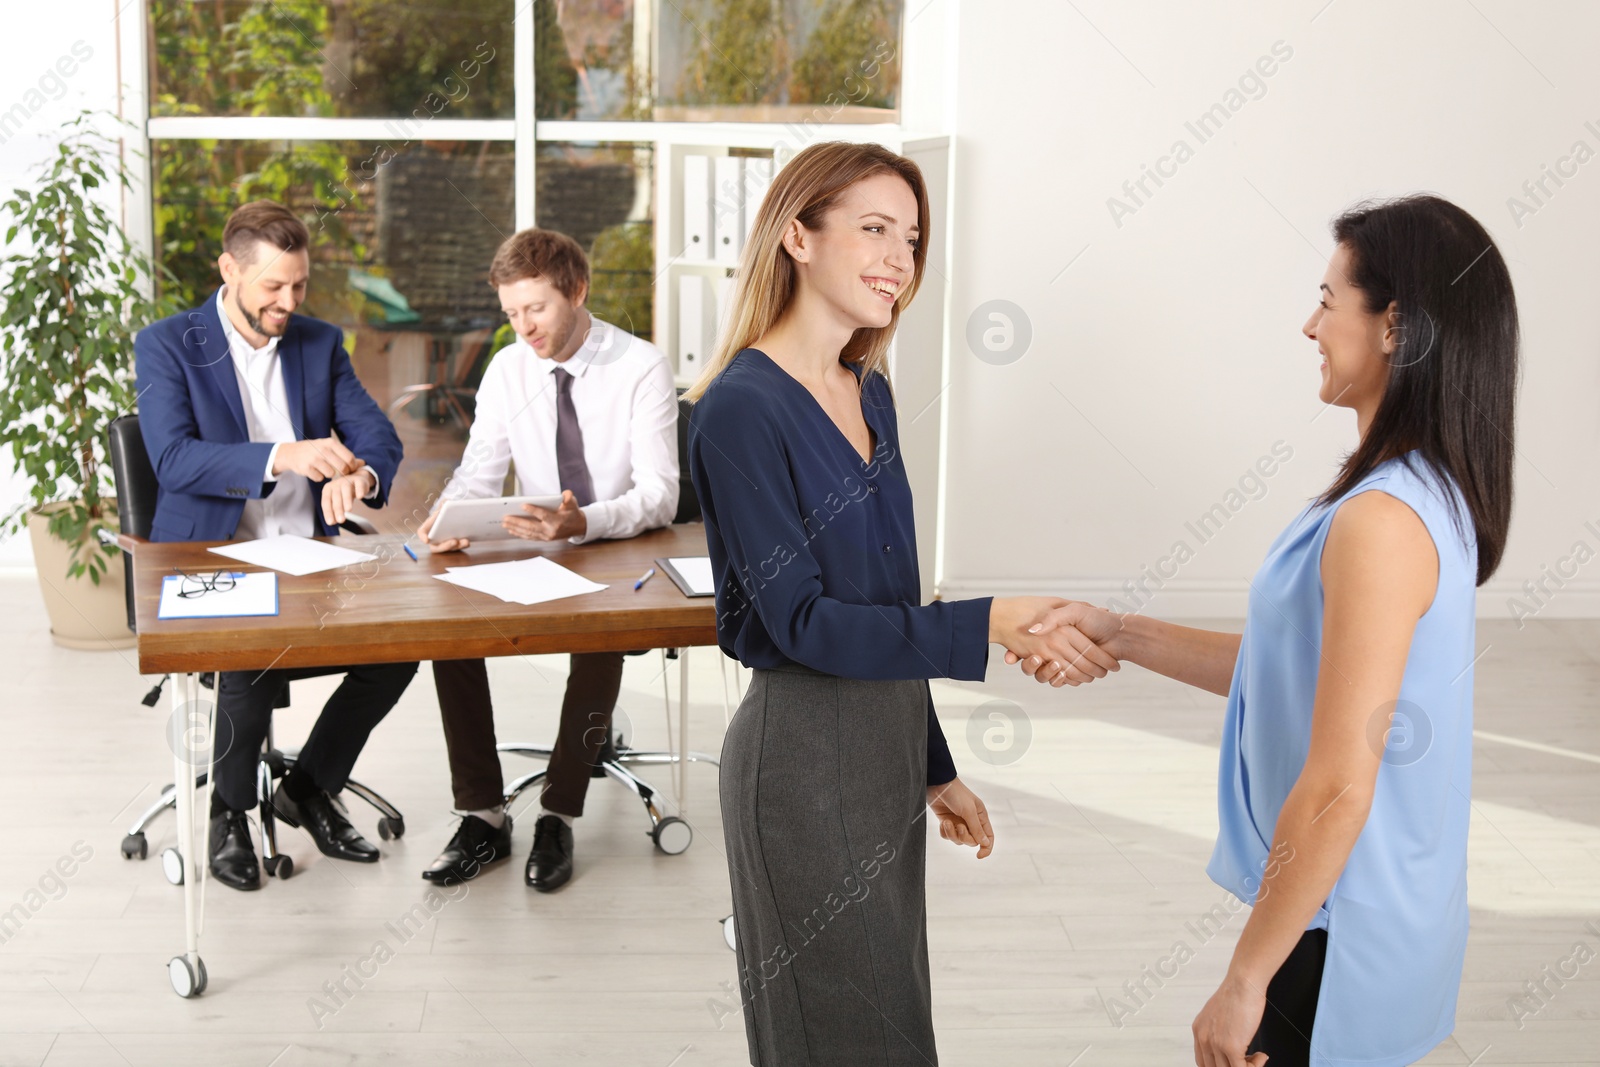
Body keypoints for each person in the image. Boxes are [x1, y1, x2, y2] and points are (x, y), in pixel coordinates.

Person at [1011, 195, 1517, 1067]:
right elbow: (1307, 673)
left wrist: (1245, 980)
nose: (1309, 324)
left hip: (1341, 933)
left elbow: (1336, 788)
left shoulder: (1381, 521)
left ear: (1395, 326)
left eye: (1328, 298)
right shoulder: (1418, 490)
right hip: (1376, 913)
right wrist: (1122, 632)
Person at [684, 141, 1117, 1066]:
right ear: (796, 236)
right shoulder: (739, 408)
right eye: (873, 229)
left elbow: (885, 602)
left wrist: (929, 760)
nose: (898, 260)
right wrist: (989, 621)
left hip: (881, 754)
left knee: (890, 1027)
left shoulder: (868, 392)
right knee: (836, 1036)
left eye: (911, 239)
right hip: (800, 763)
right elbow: (800, 621)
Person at [135, 200, 419, 891]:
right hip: (211, 557)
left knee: (402, 647)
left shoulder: (318, 344)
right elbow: (173, 460)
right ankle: (230, 810)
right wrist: (283, 455)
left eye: (299, 285)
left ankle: (310, 786)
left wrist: (362, 474)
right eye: (272, 286)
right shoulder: (168, 342)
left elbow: (378, 436)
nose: (288, 302)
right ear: (229, 270)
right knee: (251, 655)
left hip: (310, 555)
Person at [416, 228, 679, 893]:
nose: (523, 326)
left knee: (602, 636)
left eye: (535, 308)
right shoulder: (508, 368)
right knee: (449, 626)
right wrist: (448, 518)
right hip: (537, 546)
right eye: (511, 312)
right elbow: (480, 471)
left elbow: (660, 493)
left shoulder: (640, 365)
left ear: (577, 290)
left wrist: (585, 520)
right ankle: (481, 815)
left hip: (616, 547)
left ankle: (559, 812)